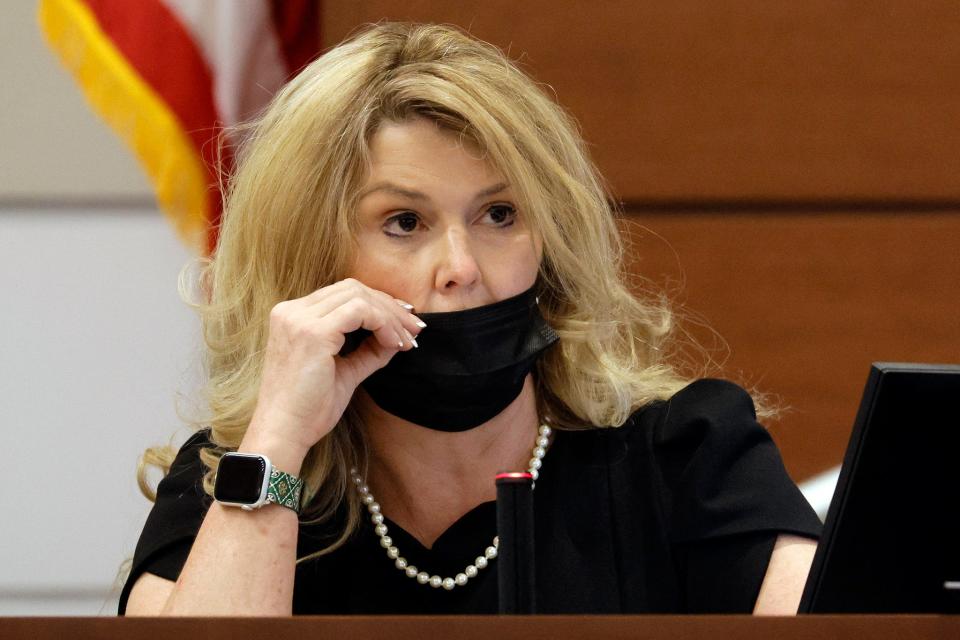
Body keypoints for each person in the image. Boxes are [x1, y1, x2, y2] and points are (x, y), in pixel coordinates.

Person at [121, 21, 821, 616]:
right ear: (315, 262)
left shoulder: (686, 455)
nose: (462, 265)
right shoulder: (236, 476)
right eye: (404, 222)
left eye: (499, 215)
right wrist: (278, 439)